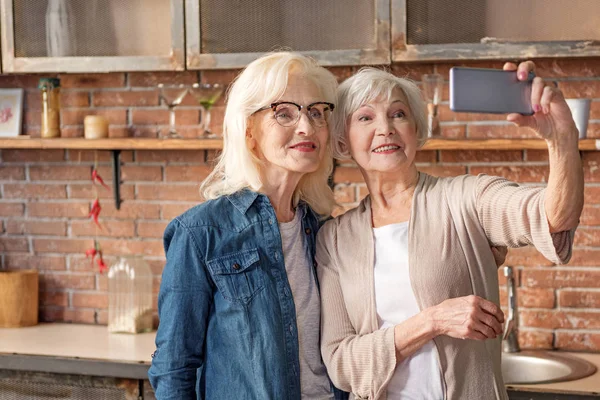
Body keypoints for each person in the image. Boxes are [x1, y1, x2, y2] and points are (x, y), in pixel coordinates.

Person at [316, 61, 583, 400]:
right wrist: (432, 321)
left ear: (416, 128)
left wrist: (562, 139)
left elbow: (555, 217)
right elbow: (340, 363)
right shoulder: (335, 240)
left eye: (398, 114)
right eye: (365, 117)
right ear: (342, 140)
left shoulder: (466, 198)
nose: (386, 128)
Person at [148, 52, 345, 399]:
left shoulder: (327, 231)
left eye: (316, 112)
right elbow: (174, 366)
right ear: (249, 133)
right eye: (284, 112)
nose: (307, 126)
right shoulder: (200, 233)